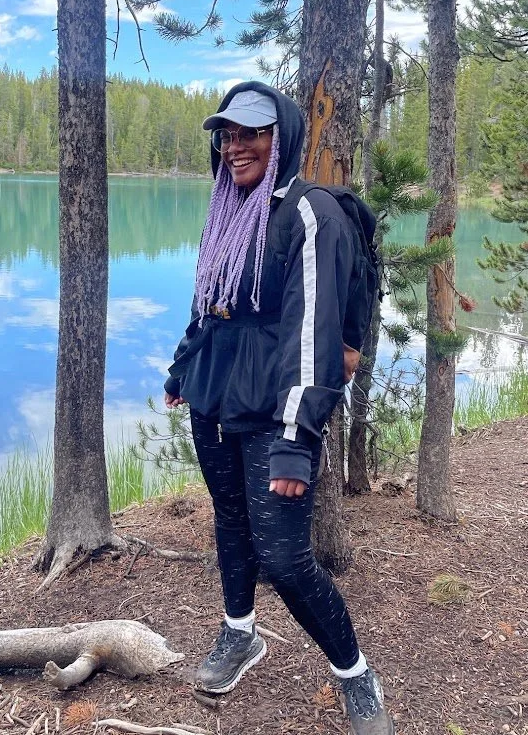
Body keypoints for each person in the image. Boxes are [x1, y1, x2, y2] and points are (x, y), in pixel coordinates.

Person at [163, 82, 394, 735]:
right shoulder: (230, 207)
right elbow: (210, 297)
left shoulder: (309, 212)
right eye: (227, 134)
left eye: (250, 133)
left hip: (274, 409)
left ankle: (355, 673)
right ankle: (240, 632)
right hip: (212, 397)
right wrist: (184, 365)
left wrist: (296, 436)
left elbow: (313, 334)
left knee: (287, 556)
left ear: (282, 136)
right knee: (230, 522)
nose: (234, 145)